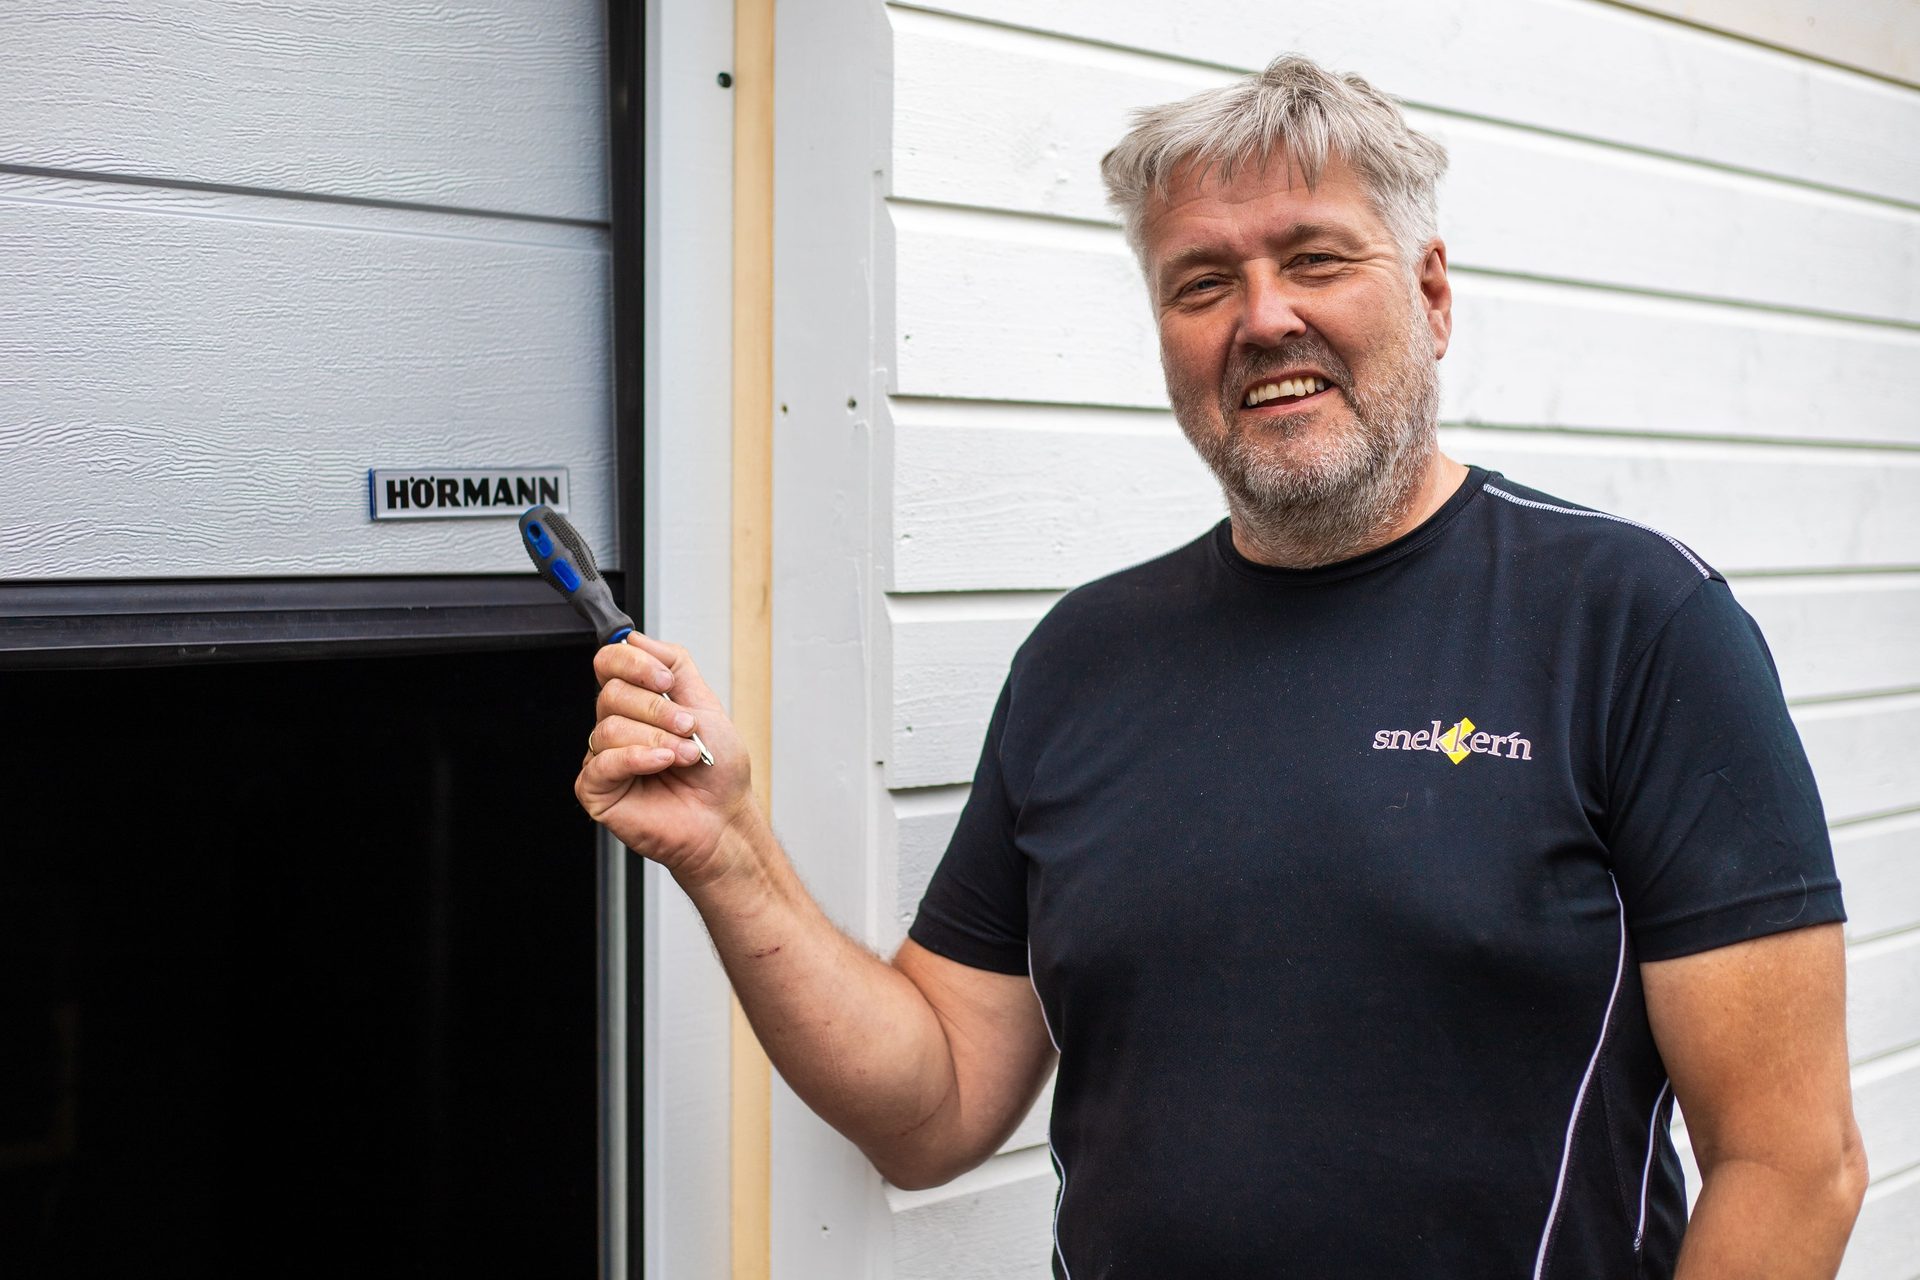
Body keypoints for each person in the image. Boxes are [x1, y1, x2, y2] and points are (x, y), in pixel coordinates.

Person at [575, 55, 1866, 1279]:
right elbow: (940, 1103)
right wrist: (729, 849)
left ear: (1430, 296)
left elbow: (1792, 1163)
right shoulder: (1082, 663)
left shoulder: (1633, 625)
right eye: (1202, 283)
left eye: (1315, 259)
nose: (1262, 317)